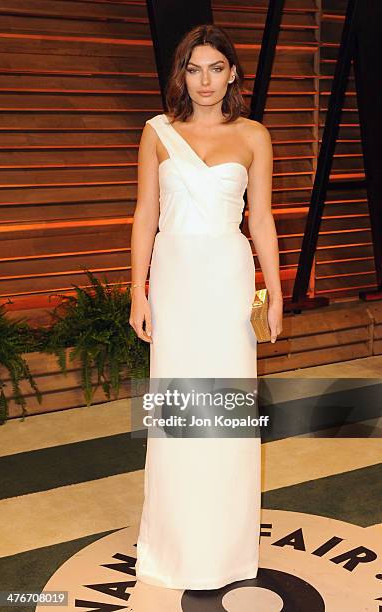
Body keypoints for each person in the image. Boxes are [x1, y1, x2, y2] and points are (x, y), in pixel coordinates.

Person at [129, 24, 283, 591]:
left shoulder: (254, 135)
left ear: (233, 73)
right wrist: (137, 289)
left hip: (228, 281)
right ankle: (173, 547)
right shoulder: (157, 132)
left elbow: (261, 220)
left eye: (216, 68)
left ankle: (224, 550)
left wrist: (273, 292)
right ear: (181, 75)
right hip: (173, 280)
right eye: (194, 69)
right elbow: (145, 214)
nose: (205, 81)